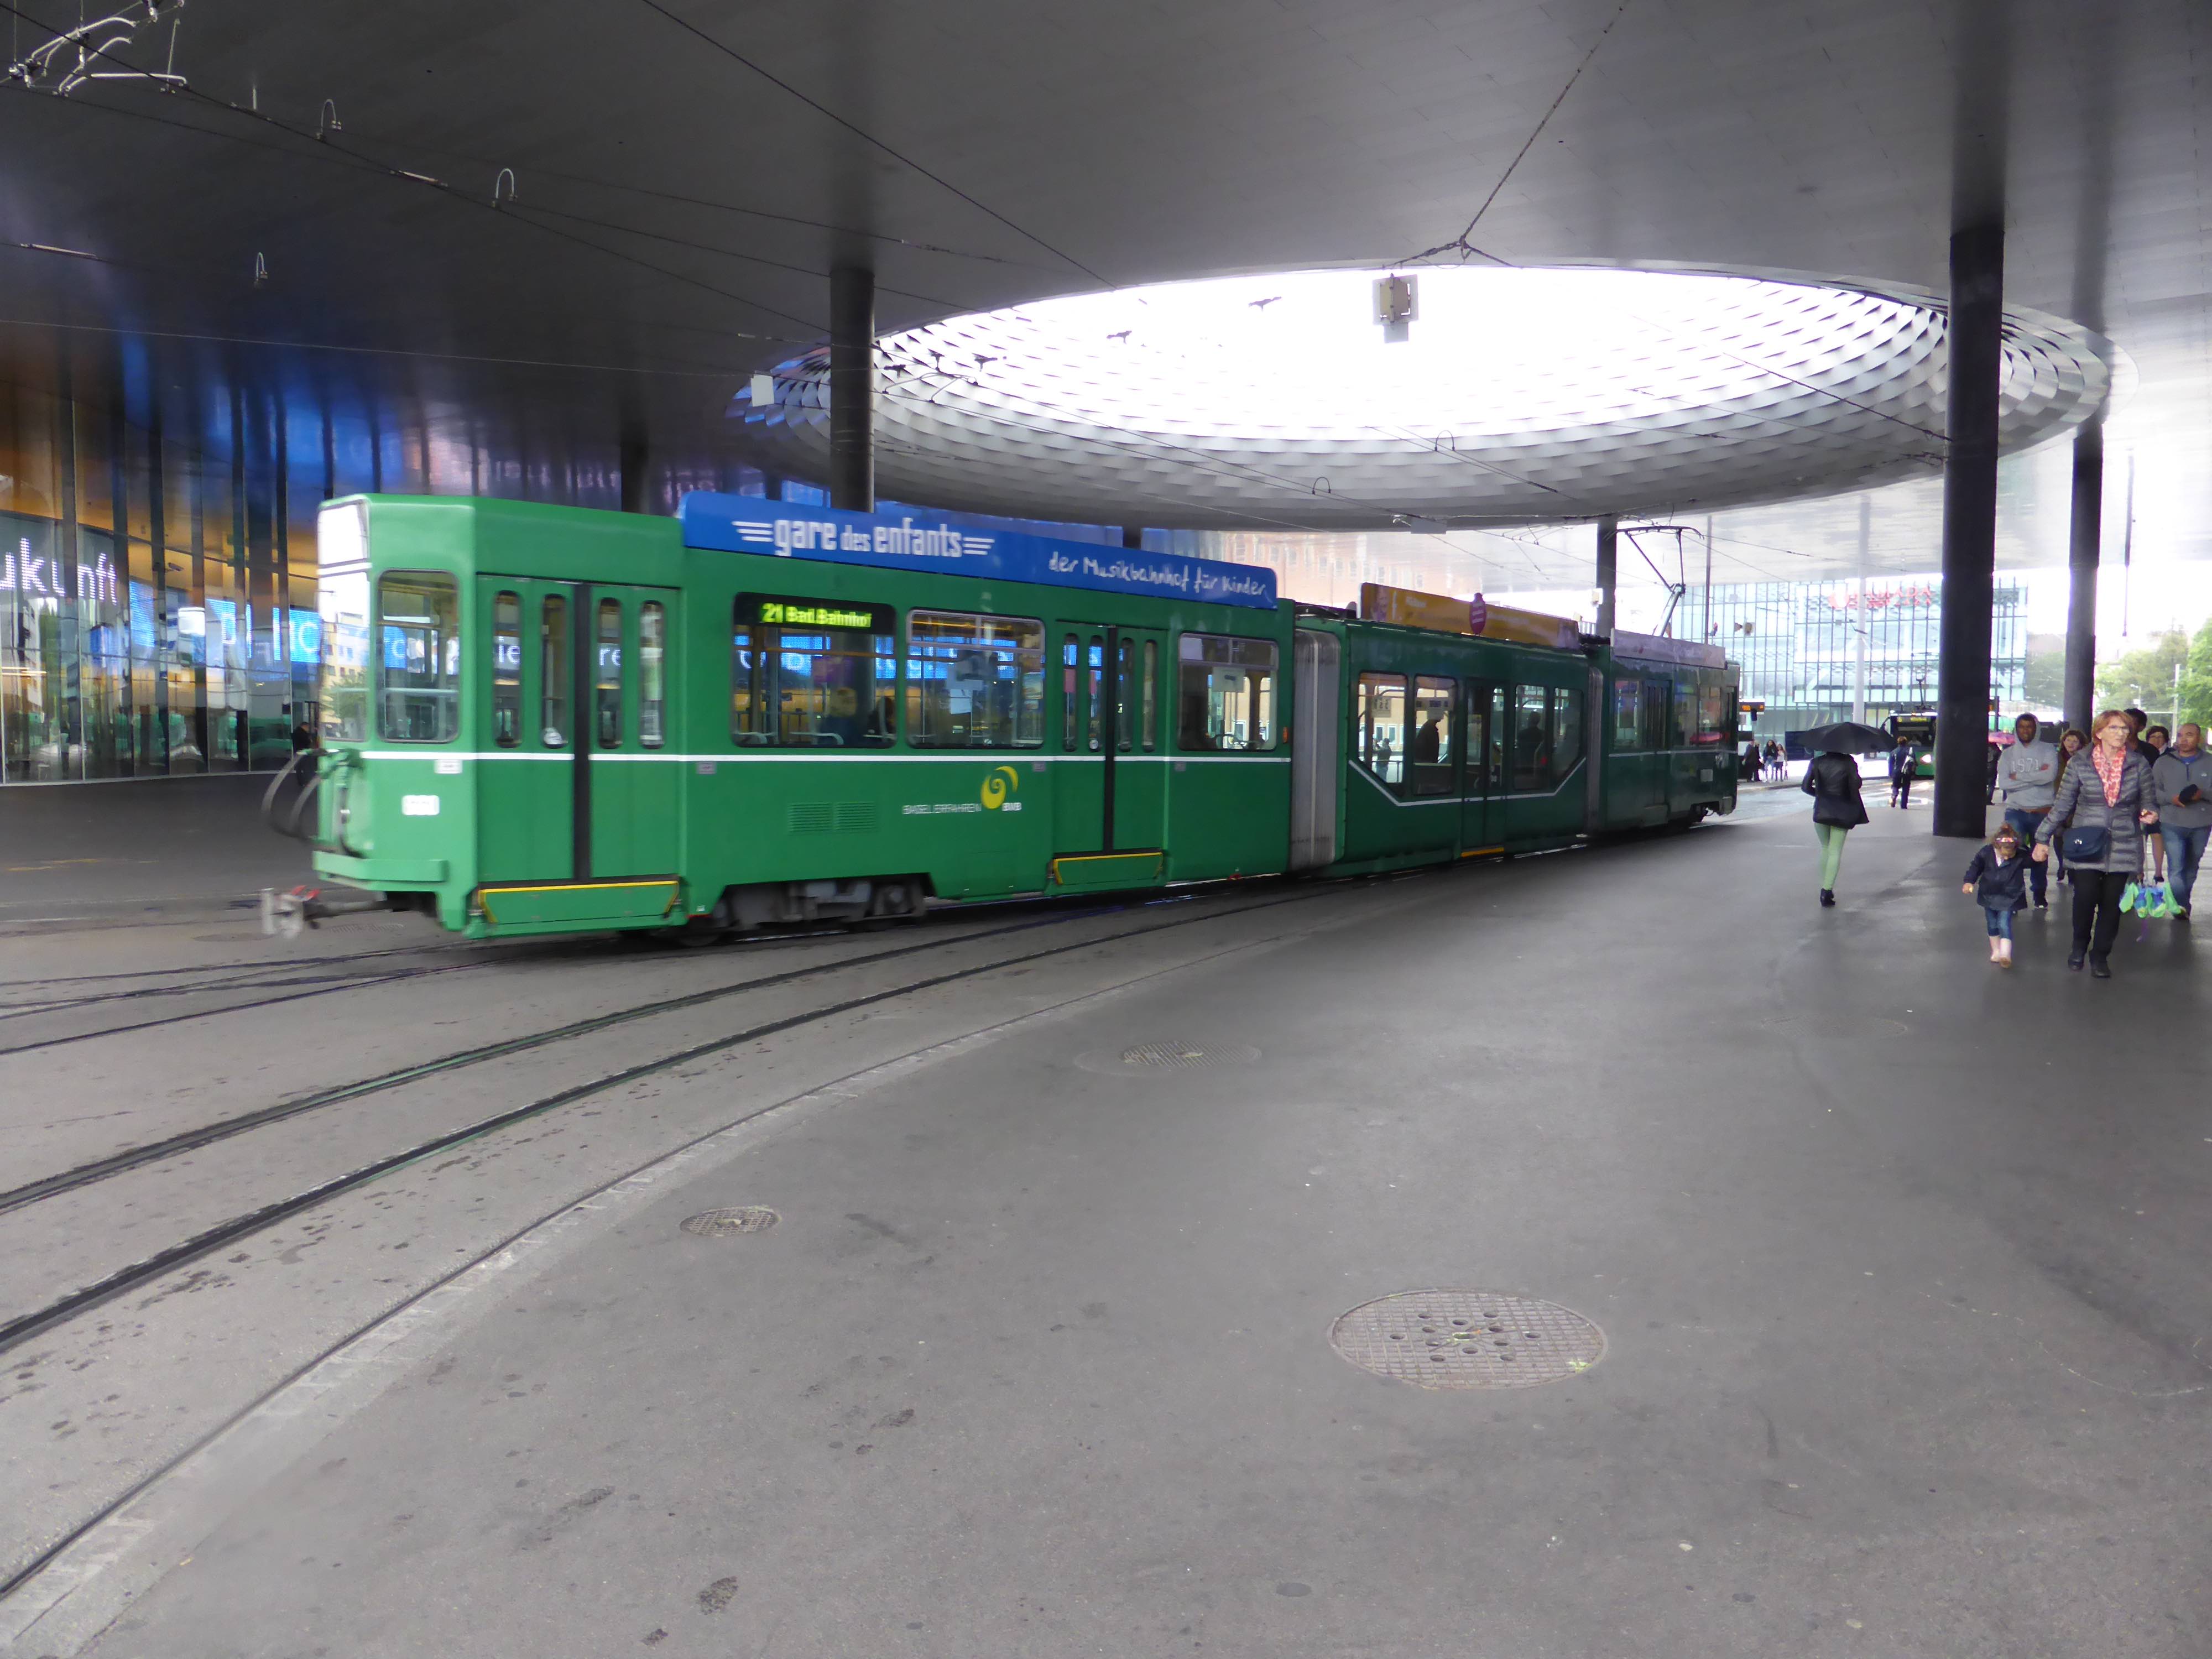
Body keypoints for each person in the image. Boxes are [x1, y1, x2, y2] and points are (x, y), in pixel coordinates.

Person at [2033, 708, 2160, 978]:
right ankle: (2079, 945)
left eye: (2125, 729)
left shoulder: (2138, 764)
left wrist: (2149, 813)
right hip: (2087, 841)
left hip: (2124, 840)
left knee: (2111, 905)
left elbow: (2149, 800)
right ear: (2099, 732)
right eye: (2114, 728)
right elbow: (2063, 805)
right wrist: (2042, 838)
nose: (2121, 733)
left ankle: (2100, 955)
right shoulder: (2079, 763)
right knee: (2085, 898)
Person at [1995, 713, 2059, 909]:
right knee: (2012, 853)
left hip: (2042, 811)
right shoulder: (2008, 755)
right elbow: (2004, 783)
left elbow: (2049, 777)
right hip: (2016, 810)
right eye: (2021, 726)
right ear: (2016, 729)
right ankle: (2015, 897)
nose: (2025, 730)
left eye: (2029, 726)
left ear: (2036, 728)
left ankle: (2039, 893)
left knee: (2039, 855)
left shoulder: (2048, 750)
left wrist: (2018, 777)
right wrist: (2036, 777)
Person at [2150, 722, 2210, 920]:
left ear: (2199, 738)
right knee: (2176, 867)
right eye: (2180, 735)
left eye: (2189, 735)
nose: (2184, 739)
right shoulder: (2163, 762)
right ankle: (2181, 905)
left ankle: (2182, 902)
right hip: (2171, 822)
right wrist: (2172, 799)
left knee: (2192, 866)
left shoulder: (2210, 762)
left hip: (2201, 823)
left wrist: (2202, 794)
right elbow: (2153, 791)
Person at [1802, 747, 1867, 907]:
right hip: (1842, 812)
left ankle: (1824, 884)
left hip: (1821, 811)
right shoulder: (1848, 762)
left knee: (1825, 847)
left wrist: (1820, 795)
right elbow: (1856, 784)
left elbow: (1805, 787)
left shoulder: (1816, 762)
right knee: (1835, 850)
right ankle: (1827, 890)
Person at [1962, 822, 2030, 967]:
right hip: (1989, 893)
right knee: (1992, 924)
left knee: (2004, 923)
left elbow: (2033, 861)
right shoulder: (1986, 853)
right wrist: (1969, 881)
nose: (2007, 858)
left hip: (2010, 895)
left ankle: (2005, 954)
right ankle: (1996, 951)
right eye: (2004, 854)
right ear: (1997, 847)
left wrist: (2039, 857)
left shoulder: (2020, 855)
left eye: (2010, 855)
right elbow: (1975, 867)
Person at [2142, 726, 2172, 884]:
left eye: (2160, 737)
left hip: (2161, 802)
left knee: (2156, 834)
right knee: (2141, 836)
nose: (2156, 740)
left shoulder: (2171, 756)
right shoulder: (2142, 754)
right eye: (2153, 737)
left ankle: (2158, 871)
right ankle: (2139, 871)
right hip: (2143, 800)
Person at [1888, 737, 1916, 808]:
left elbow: (1891, 764)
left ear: (1898, 743)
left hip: (1896, 772)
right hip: (1906, 772)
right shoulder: (1910, 751)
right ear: (1906, 742)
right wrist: (1913, 773)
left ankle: (1894, 797)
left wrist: (1890, 773)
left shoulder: (1893, 752)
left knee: (1895, 786)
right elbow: (1913, 762)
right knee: (1905, 788)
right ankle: (1904, 805)